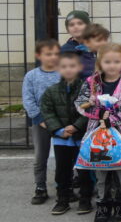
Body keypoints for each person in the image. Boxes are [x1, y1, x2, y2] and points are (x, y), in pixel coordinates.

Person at [75, 43, 121, 222]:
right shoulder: (92, 82)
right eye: (107, 61)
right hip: (99, 134)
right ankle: (103, 205)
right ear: (100, 62)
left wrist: (112, 119)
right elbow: (80, 104)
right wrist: (98, 115)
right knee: (102, 171)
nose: (112, 65)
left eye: (116, 61)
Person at [40, 51, 93, 216]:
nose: (68, 69)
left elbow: (91, 110)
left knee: (84, 170)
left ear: (79, 67)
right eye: (64, 66)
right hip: (61, 139)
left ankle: (85, 199)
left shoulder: (88, 89)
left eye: (72, 66)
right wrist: (59, 130)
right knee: (62, 170)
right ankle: (62, 199)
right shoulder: (51, 91)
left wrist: (76, 126)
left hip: (82, 137)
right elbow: (47, 112)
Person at [23, 39, 62, 205]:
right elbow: (28, 99)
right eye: (48, 54)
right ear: (39, 55)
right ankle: (40, 187)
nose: (52, 57)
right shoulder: (31, 76)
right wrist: (39, 118)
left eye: (55, 54)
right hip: (41, 123)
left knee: (64, 156)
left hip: (62, 121)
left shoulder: (64, 73)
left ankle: (64, 186)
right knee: (41, 156)